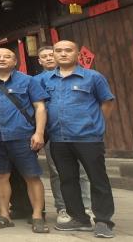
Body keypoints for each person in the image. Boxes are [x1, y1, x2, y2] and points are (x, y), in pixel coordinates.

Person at [42, 40, 116, 238]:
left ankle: (103, 221)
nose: (63, 54)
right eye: (58, 50)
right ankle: (78, 218)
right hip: (58, 138)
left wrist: (95, 125)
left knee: (97, 178)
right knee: (67, 179)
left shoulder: (93, 77)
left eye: (68, 50)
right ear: (54, 54)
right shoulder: (46, 80)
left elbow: (107, 102)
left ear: (77, 54)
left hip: (88, 137)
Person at [0, 48, 50, 233]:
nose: (2, 59)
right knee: (0, 176)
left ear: (15, 61)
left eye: (7, 57)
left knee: (31, 176)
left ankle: (37, 216)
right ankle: (4, 215)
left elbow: (40, 107)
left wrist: (39, 133)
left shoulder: (28, 81)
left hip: (22, 135)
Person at [35, 45, 91, 224]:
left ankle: (86, 206)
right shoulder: (36, 81)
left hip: (79, 131)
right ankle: (63, 207)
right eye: (44, 56)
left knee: (82, 171)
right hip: (52, 132)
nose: (49, 58)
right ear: (39, 61)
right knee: (57, 171)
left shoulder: (82, 75)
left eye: (51, 55)